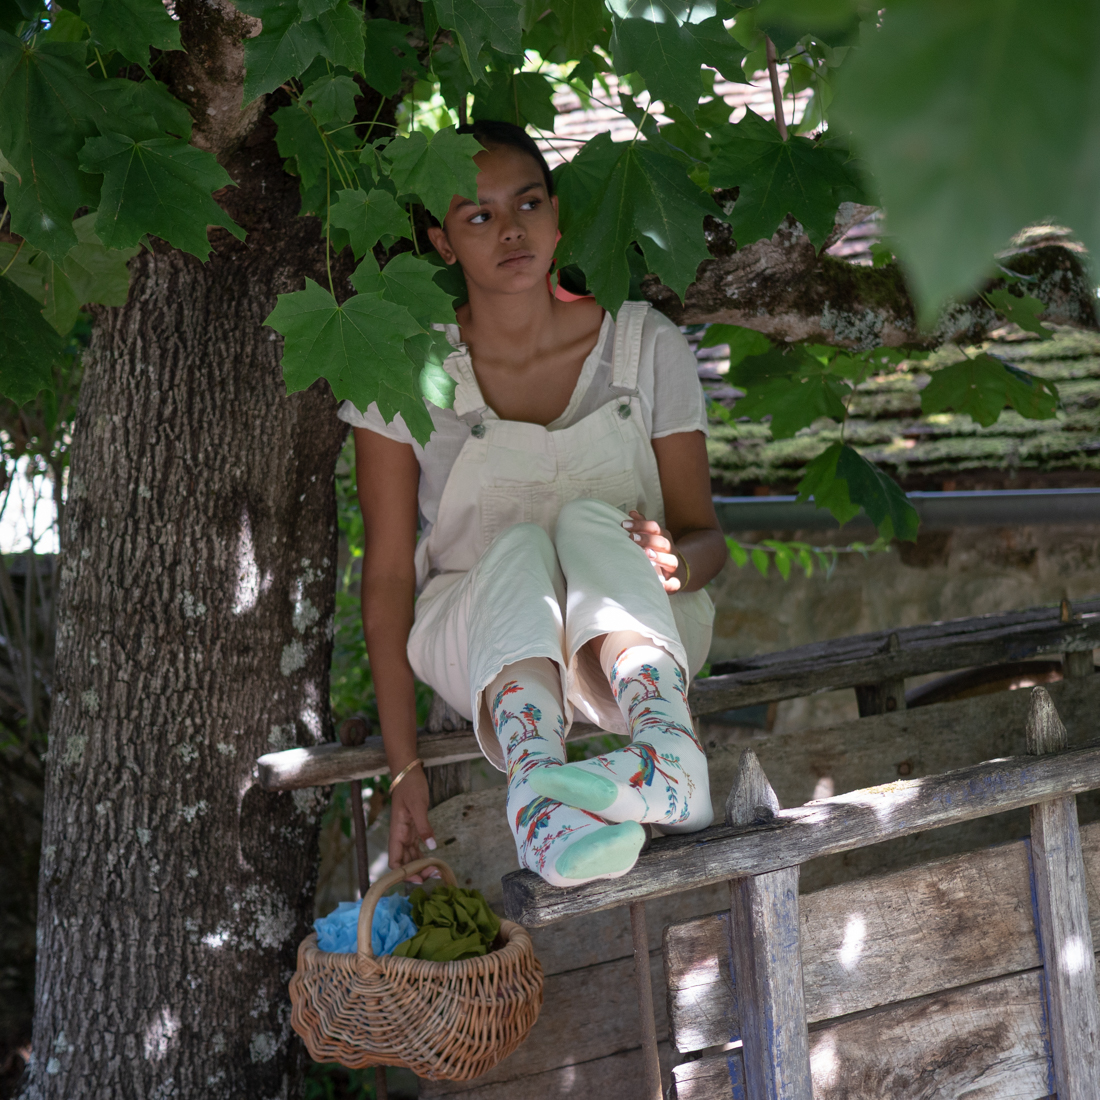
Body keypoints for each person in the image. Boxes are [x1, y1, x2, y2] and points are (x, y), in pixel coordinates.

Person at [341, 119, 728, 887]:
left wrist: (674, 560)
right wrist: (401, 767)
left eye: (526, 205)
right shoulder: (398, 373)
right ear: (442, 243)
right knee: (518, 546)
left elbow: (708, 539)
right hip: (479, 636)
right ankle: (543, 804)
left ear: (556, 214)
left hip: (637, 645)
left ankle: (666, 754)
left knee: (590, 523)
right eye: (477, 216)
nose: (509, 231)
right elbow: (386, 581)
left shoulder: (644, 346)